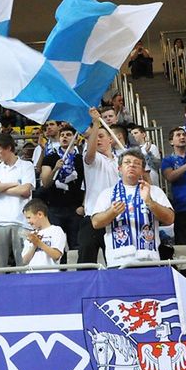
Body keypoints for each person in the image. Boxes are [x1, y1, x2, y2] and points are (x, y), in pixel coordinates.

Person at [90, 149, 174, 268]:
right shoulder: (107, 193)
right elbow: (95, 223)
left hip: (149, 259)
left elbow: (170, 219)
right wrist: (112, 212)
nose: (132, 165)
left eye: (137, 163)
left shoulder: (154, 191)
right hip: (117, 261)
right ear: (119, 169)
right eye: (127, 162)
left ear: (142, 170)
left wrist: (150, 202)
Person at [0, 133, 35, 267]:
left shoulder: (27, 165)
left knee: (24, 265)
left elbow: (25, 191)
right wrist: (13, 184)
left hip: (22, 221)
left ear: (8, 148)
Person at [36, 125, 83, 261]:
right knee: (57, 244)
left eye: (68, 135)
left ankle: (76, 271)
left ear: (75, 139)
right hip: (55, 208)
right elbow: (45, 183)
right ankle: (60, 271)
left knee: (76, 245)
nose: (64, 137)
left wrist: (83, 205)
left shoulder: (81, 159)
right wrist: (55, 169)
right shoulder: (50, 158)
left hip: (75, 208)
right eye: (62, 135)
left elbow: (87, 183)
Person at [80, 109, 119, 265]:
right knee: (86, 263)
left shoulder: (122, 161)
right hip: (92, 216)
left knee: (115, 263)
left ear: (111, 139)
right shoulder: (93, 159)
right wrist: (96, 124)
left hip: (116, 217)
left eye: (101, 136)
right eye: (95, 137)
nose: (97, 139)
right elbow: (90, 154)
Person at [20, 199, 66, 269]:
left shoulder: (56, 230)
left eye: (29, 217)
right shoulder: (32, 234)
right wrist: (34, 246)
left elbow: (56, 255)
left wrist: (38, 242)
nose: (28, 221)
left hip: (49, 273)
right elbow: (24, 261)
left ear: (40, 214)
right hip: (31, 273)